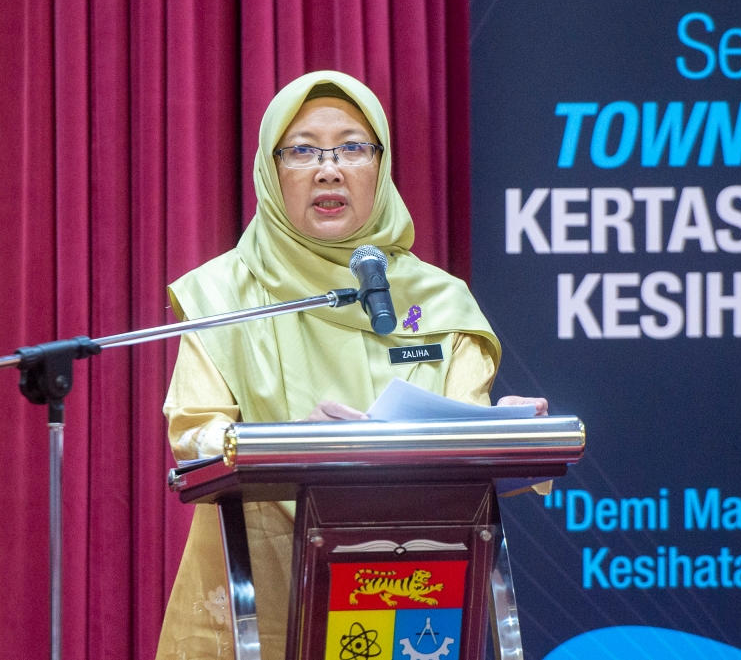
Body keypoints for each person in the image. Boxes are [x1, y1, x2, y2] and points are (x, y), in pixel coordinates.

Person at [155, 71, 547, 660]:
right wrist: (292, 443)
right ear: (271, 169)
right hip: (254, 605)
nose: (329, 168)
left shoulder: (439, 301)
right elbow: (194, 437)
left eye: (353, 147)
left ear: (381, 167)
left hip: (409, 596)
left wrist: (505, 428)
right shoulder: (221, 297)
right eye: (303, 150)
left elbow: (464, 429)